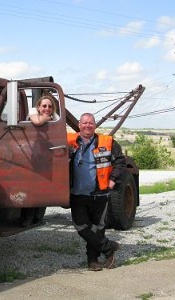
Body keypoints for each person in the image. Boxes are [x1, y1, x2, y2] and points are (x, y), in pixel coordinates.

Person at [67, 113, 126, 271]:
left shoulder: (107, 142)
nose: (88, 126)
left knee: (97, 228)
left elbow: (120, 161)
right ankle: (109, 247)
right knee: (81, 226)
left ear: (95, 125)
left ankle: (93, 261)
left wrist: (113, 179)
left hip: (100, 195)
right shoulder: (69, 141)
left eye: (91, 123)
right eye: (84, 123)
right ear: (79, 125)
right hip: (78, 195)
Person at [20, 94, 59, 227]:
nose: (47, 108)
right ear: (38, 107)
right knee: (31, 187)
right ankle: (27, 218)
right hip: (31, 155)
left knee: (44, 187)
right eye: (44, 106)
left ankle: (38, 217)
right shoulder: (33, 112)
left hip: (46, 156)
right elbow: (37, 122)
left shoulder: (56, 117)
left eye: (49, 106)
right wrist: (47, 118)